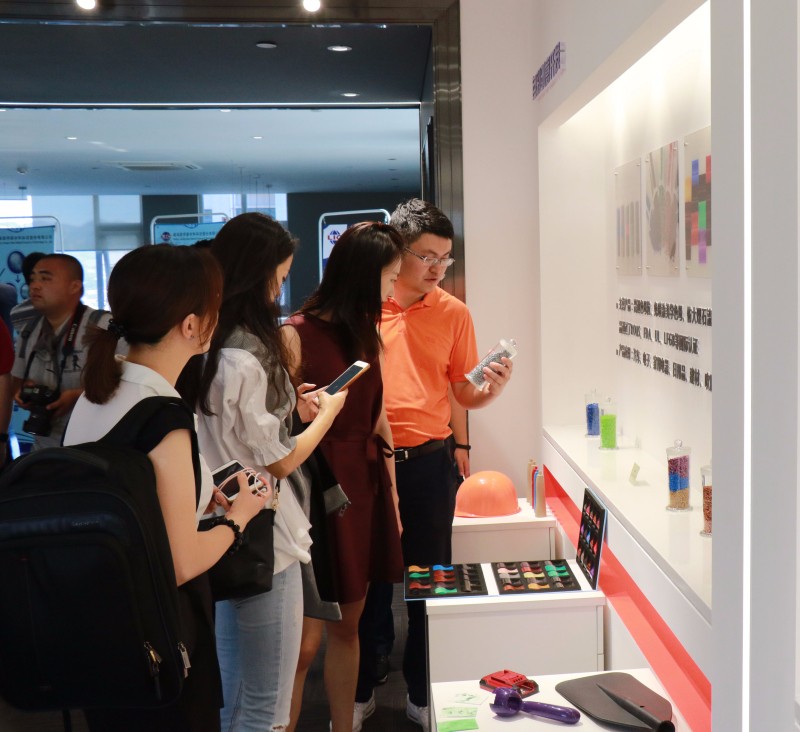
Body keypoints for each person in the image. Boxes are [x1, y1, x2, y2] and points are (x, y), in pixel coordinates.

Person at [64, 244, 269, 731]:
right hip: (160, 638)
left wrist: (197, 498)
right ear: (192, 325)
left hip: (96, 632)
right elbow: (179, 563)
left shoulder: (99, 394)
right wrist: (239, 517)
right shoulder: (163, 414)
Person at [178, 212, 347, 732]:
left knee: (235, 691)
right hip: (262, 535)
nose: (280, 290)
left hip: (218, 525)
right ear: (259, 275)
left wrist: (292, 412)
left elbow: (237, 435)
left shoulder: (202, 345)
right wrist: (327, 416)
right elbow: (280, 459)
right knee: (265, 703)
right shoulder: (245, 356)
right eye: (279, 277)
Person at [377, 199, 514, 730]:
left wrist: (491, 391)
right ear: (398, 251)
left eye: (445, 258)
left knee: (429, 585)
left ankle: (420, 689)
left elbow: (462, 392)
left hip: (428, 464)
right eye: (427, 256)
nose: (437, 268)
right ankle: (363, 683)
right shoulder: (365, 306)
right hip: (371, 464)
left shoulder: (454, 313)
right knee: (368, 585)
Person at [283, 222, 405, 732]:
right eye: (390, 277)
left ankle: (343, 725)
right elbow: (277, 426)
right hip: (311, 483)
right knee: (301, 643)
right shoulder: (293, 333)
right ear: (362, 274)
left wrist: (391, 500)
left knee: (349, 626)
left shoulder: (366, 332)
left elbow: (379, 419)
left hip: (362, 482)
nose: (393, 289)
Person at [10, 253, 116, 450]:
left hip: (96, 448)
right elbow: (16, 381)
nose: (35, 286)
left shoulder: (103, 327)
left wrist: (79, 396)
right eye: (32, 279)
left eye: (45, 278)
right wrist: (24, 391)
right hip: (44, 447)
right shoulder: (29, 330)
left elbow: (131, 384)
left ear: (74, 286)